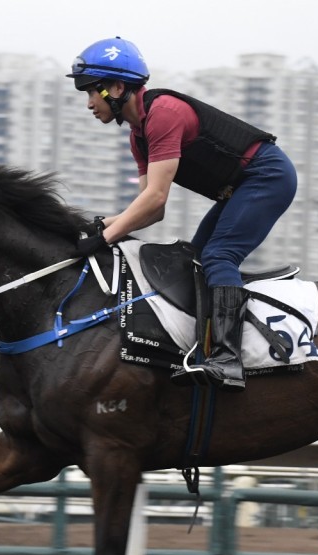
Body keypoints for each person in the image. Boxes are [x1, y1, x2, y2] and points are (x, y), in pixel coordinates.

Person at [67, 37, 297, 392]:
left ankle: (226, 360)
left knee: (219, 256)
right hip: (241, 187)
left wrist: (106, 237)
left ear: (116, 87)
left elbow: (156, 198)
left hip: (267, 177)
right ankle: (204, 348)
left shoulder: (164, 114)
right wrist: (100, 226)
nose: (88, 104)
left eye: (90, 92)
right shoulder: (138, 136)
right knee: (198, 259)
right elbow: (149, 207)